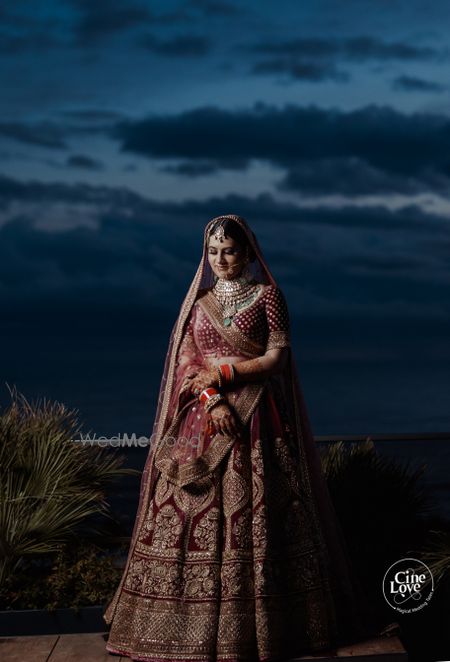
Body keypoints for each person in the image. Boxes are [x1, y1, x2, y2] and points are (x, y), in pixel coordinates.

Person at [103, 214, 377, 662]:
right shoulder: (200, 302)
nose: (221, 259)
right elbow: (188, 365)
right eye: (213, 252)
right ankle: (173, 627)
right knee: (187, 516)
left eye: (229, 250)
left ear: (248, 252)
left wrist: (226, 373)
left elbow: (276, 360)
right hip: (204, 420)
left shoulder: (269, 297)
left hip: (260, 420)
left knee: (258, 513)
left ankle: (264, 629)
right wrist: (213, 397)